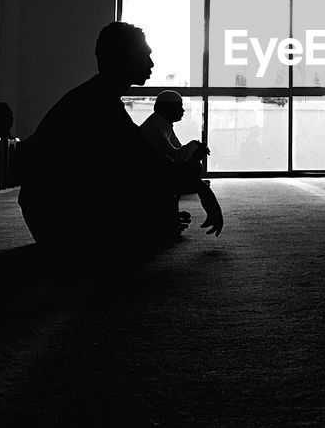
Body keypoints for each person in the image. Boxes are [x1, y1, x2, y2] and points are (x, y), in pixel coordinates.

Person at [17, 22, 223, 256]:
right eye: (145, 56)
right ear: (123, 58)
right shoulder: (99, 105)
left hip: (48, 216)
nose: (152, 63)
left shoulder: (96, 96)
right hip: (59, 224)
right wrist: (201, 188)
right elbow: (150, 165)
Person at [140, 90, 225, 225]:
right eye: (179, 106)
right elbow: (176, 157)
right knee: (196, 176)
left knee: (195, 169)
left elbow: (178, 152)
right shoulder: (156, 128)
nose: (183, 110)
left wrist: (194, 152)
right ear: (168, 108)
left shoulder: (162, 123)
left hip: (157, 170)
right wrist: (195, 145)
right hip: (148, 176)